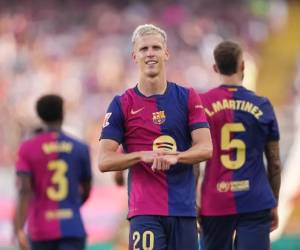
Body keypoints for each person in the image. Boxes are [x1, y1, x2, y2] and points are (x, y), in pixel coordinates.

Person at [98, 24, 212, 250]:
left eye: (156, 47)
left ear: (166, 53)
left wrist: (177, 157)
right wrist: (142, 155)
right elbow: (104, 161)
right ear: (134, 56)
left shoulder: (188, 97)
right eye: (144, 49)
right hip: (145, 211)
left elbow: (206, 148)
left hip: (183, 210)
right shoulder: (122, 103)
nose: (150, 53)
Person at [198, 41, 282, 250]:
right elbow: (275, 162)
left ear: (215, 68)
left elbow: (194, 160)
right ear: (242, 66)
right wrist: (273, 201)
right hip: (256, 200)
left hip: (214, 201)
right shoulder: (262, 105)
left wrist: (193, 200)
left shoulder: (202, 104)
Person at [14, 94, 92, 250]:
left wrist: (19, 228)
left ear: (40, 116)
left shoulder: (27, 148)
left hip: (40, 229)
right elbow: (87, 188)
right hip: (72, 228)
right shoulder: (80, 147)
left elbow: (24, 190)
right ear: (62, 114)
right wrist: (72, 205)